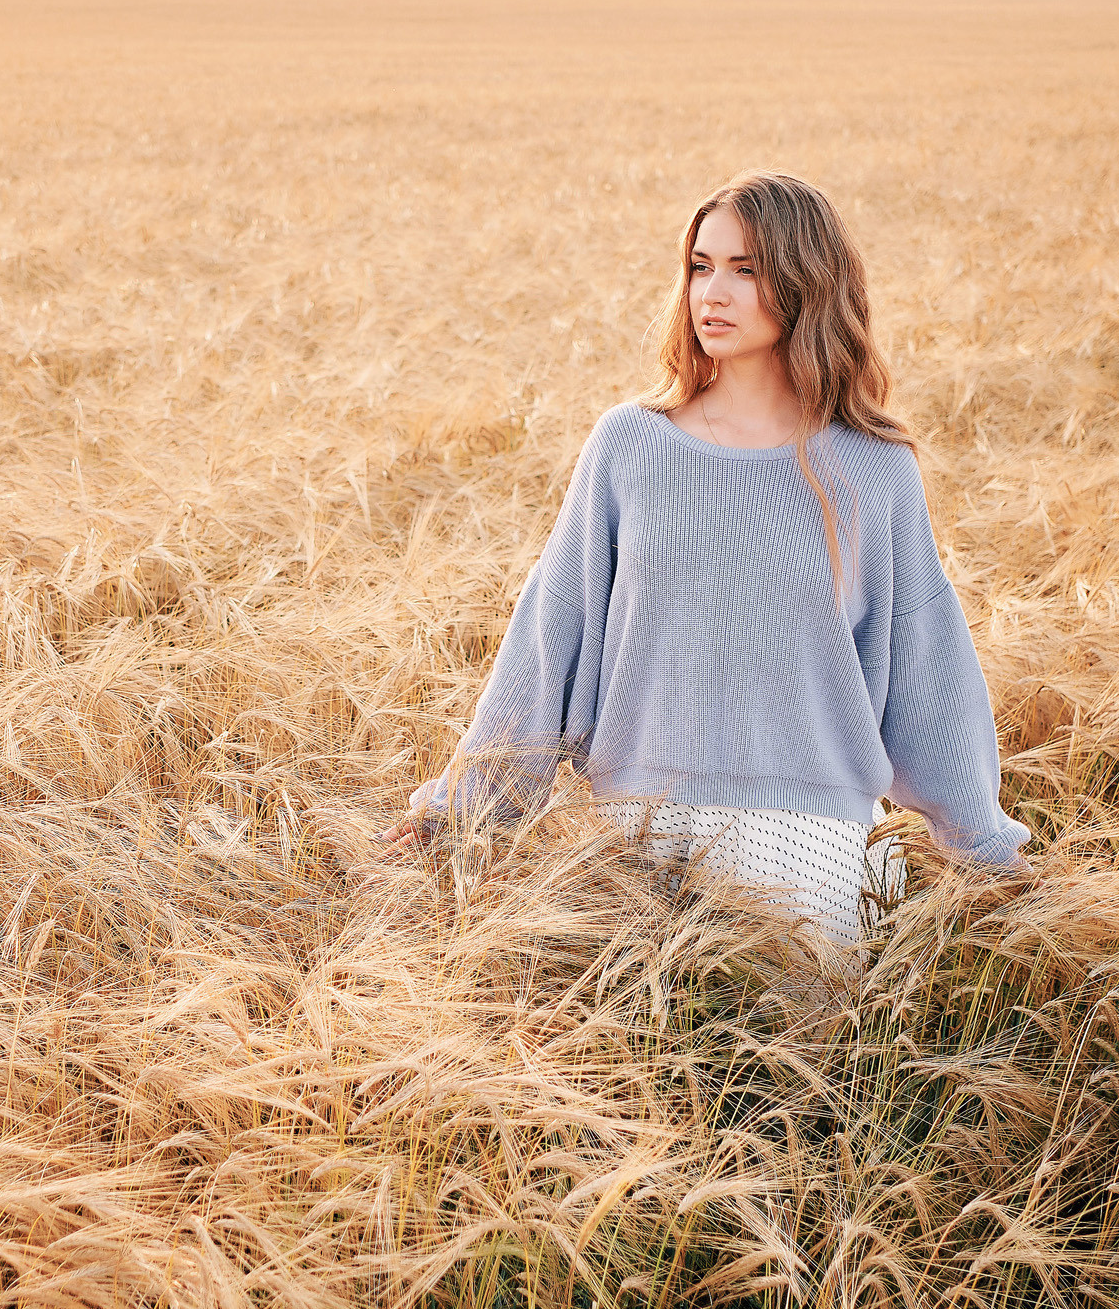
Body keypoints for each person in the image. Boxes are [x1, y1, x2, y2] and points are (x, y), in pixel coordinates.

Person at [381, 169, 1029, 957]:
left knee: (790, 1079)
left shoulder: (872, 469)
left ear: (805, 281)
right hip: (638, 830)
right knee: (639, 1072)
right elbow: (552, 635)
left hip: (804, 846)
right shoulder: (628, 445)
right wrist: (460, 811)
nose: (712, 292)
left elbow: (930, 669)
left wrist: (988, 852)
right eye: (700, 266)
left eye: (745, 270)